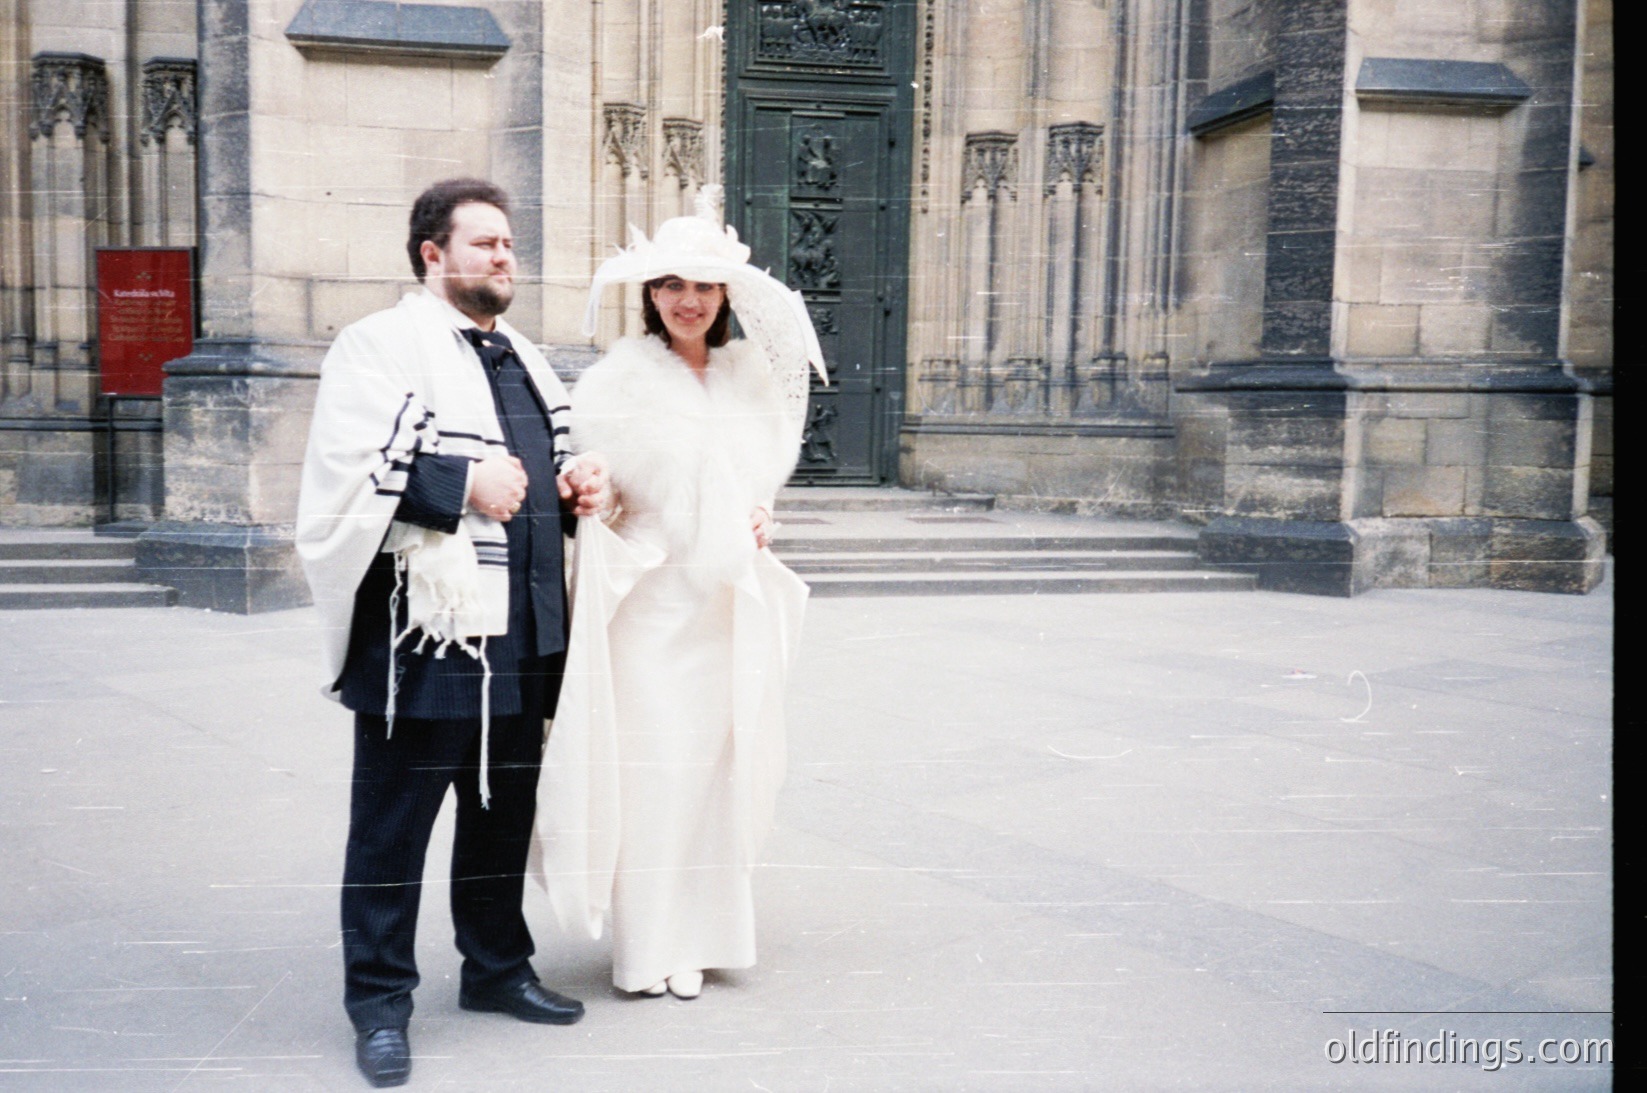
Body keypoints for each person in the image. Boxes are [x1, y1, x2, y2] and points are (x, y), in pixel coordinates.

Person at [295, 178, 611, 1089]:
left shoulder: (522, 356)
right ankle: (380, 1003)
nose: (504, 257)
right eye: (484, 244)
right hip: (426, 632)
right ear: (432, 253)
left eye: (508, 244)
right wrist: (462, 483)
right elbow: (348, 468)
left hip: (523, 632)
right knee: (392, 828)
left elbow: (543, 465)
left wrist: (574, 487)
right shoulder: (377, 345)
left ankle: (496, 967)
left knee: (499, 812)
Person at [534, 188, 825, 1001]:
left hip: (726, 604)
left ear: (724, 294)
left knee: (713, 773)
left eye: (700, 286)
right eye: (669, 285)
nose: (686, 301)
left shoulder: (752, 383)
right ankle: (648, 946)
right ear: (650, 295)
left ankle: (705, 934)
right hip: (654, 606)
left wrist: (761, 511)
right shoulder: (613, 385)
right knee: (654, 773)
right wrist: (590, 488)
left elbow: (755, 482)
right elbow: (608, 495)